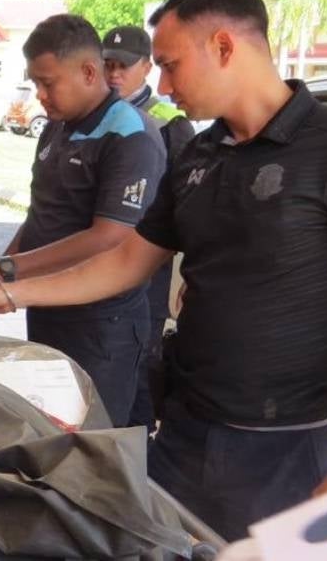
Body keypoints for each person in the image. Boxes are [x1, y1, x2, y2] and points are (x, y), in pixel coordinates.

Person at [0, 0, 327, 541]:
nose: (163, 85)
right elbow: (125, 262)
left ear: (224, 47)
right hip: (187, 432)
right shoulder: (198, 156)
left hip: (293, 447)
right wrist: (10, 291)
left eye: (170, 65)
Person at [0, 14, 167, 427]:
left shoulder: (130, 134)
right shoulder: (56, 129)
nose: (40, 96)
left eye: (48, 83)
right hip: (48, 308)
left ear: (89, 71)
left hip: (103, 324)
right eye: (35, 84)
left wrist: (6, 270)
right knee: (53, 426)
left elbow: (109, 237)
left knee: (96, 440)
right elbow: (41, 216)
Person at [102, 25, 196, 430]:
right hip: (101, 270)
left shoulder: (170, 125)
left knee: (138, 369)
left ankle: (137, 458)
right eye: (107, 65)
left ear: (145, 67)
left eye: (124, 66)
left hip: (146, 273)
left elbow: (185, 208)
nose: (114, 74)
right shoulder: (100, 117)